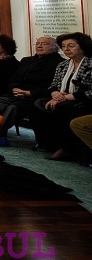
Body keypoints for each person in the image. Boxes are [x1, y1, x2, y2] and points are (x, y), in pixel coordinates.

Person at [0, 36, 61, 147]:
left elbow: (53, 86)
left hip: (34, 97)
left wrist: (29, 93)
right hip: (16, 93)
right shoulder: (27, 60)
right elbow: (14, 78)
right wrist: (14, 88)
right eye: (37, 43)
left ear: (55, 48)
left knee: (13, 108)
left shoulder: (59, 63)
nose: (39, 46)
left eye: (44, 44)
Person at [30, 32, 92, 163]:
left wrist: (68, 97)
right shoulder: (63, 65)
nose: (66, 49)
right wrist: (54, 94)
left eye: (71, 46)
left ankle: (67, 149)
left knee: (62, 110)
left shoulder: (90, 64)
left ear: (82, 47)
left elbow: (90, 92)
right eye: (63, 46)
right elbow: (53, 85)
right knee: (37, 106)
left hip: (85, 102)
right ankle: (49, 144)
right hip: (63, 100)